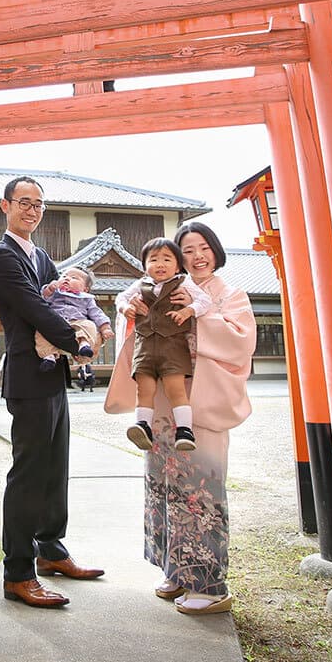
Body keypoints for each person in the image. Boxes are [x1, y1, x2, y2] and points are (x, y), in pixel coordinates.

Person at [105, 222, 256, 615]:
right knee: (163, 486)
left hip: (201, 405)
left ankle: (208, 585)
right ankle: (174, 570)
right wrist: (131, 310)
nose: (197, 256)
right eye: (188, 251)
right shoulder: (163, 286)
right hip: (162, 407)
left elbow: (241, 342)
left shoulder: (230, 295)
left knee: (200, 491)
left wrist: (194, 315)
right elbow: (128, 309)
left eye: (204, 248)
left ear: (216, 250)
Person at [0, 175, 105, 608]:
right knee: (29, 475)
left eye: (39, 204)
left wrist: (93, 325)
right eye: (24, 202)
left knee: (56, 468)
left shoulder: (41, 257)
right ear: (6, 206)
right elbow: (36, 309)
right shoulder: (3, 257)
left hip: (53, 376)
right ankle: (18, 573)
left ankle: (51, 549)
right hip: (27, 376)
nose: (32, 210)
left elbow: (68, 300)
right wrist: (80, 343)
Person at [122, 238, 211, 454]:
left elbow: (205, 301)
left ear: (178, 266)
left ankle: (185, 431)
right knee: (144, 389)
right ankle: (143, 426)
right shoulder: (140, 285)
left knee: (176, 389)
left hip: (173, 346)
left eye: (167, 259)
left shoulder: (183, 283)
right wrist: (125, 308)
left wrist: (188, 310)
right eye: (153, 259)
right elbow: (120, 298)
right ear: (145, 266)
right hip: (144, 346)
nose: (160, 264)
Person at [36, 266, 113, 371]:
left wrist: (105, 327)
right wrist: (49, 289)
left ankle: (84, 344)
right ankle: (49, 355)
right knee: (40, 331)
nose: (67, 278)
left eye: (74, 278)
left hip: (77, 322)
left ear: (85, 289)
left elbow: (97, 313)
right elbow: (42, 300)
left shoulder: (86, 299)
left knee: (89, 325)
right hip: (56, 322)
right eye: (64, 276)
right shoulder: (55, 294)